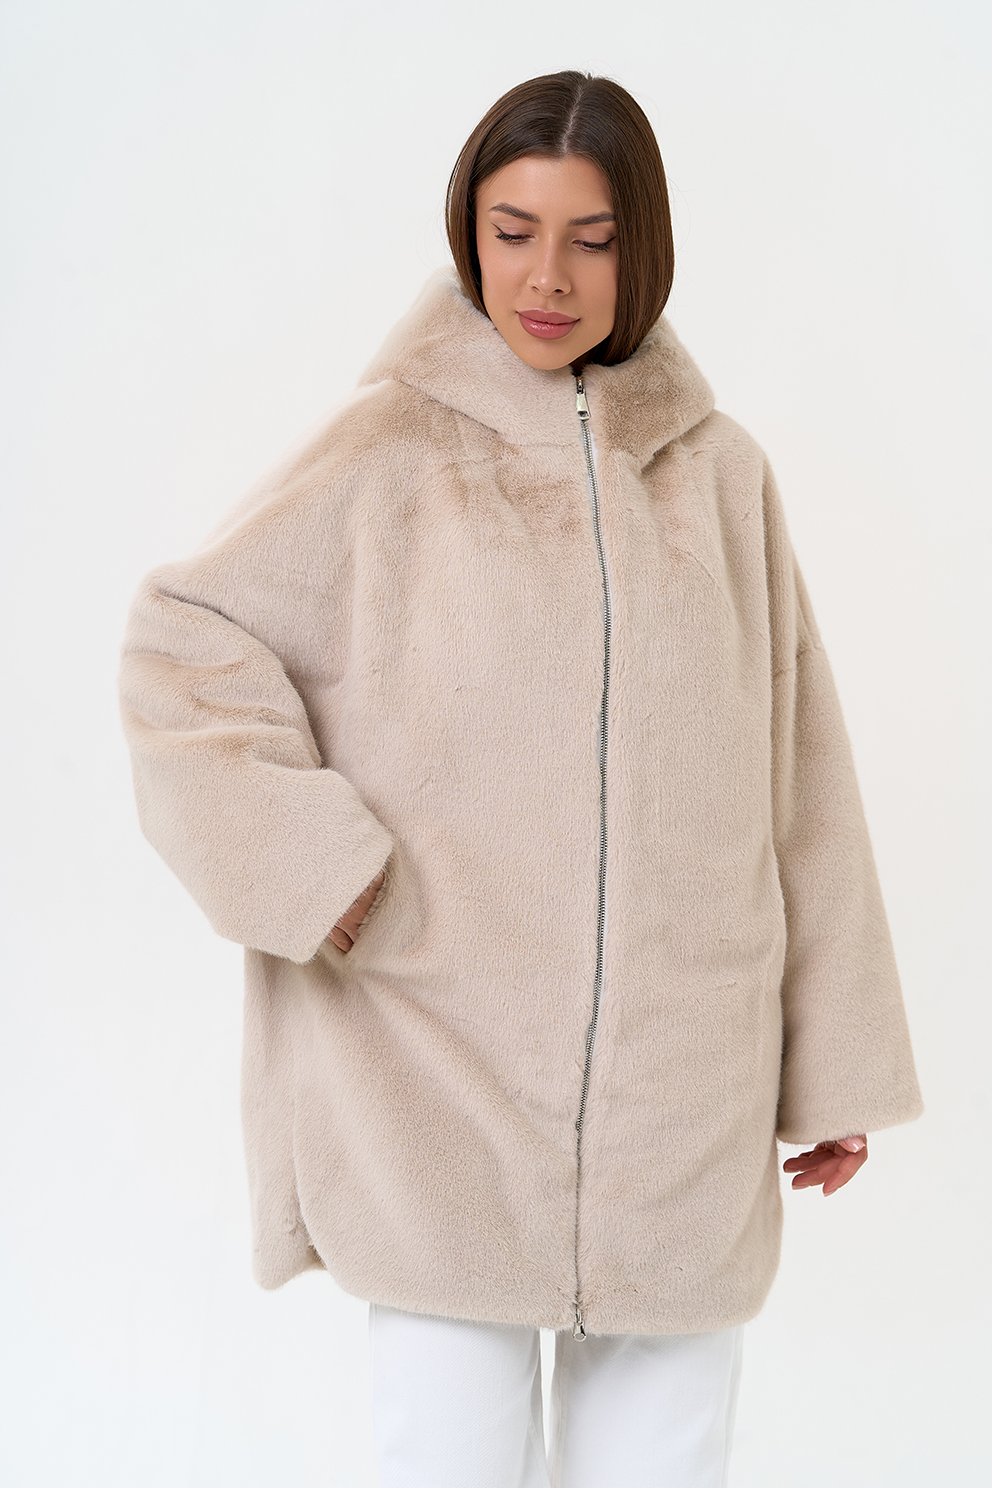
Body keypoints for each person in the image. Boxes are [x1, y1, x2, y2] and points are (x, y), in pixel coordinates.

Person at [117, 71, 923, 1488]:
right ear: (469, 234)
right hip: (435, 1090)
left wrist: (834, 1060)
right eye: (512, 231)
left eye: (590, 239)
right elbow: (182, 643)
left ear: (641, 247)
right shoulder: (388, 451)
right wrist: (316, 871)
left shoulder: (723, 477)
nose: (547, 277)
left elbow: (803, 776)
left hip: (686, 1105)